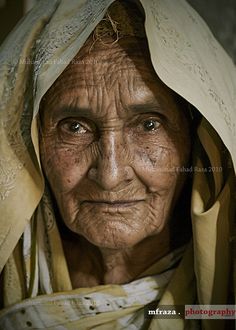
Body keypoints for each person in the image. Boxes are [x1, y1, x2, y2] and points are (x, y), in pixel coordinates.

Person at [0, 1, 235, 329]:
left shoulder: (225, 295)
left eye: (149, 124)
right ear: (31, 138)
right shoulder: (11, 267)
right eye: (75, 127)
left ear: (196, 140)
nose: (110, 176)